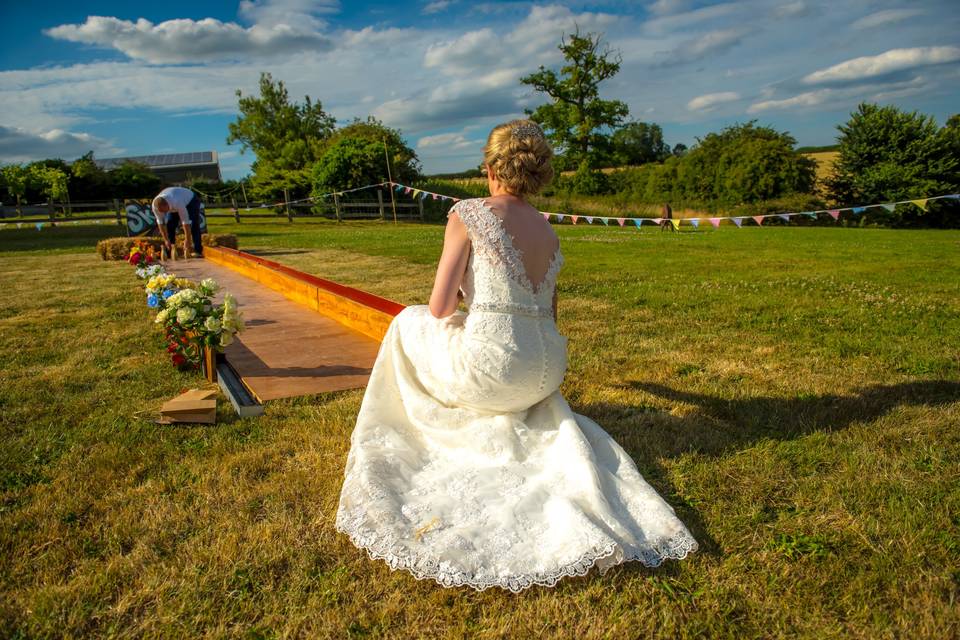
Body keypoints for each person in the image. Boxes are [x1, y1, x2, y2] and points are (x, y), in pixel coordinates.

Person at [335, 119, 697, 592]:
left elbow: (442, 305)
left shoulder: (468, 213)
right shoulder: (548, 232)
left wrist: (474, 305)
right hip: (546, 371)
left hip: (497, 371)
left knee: (408, 320)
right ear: (537, 172)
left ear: (490, 168)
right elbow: (546, 310)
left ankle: (421, 415)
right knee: (472, 331)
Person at [152, 186, 203, 258]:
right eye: (161, 211)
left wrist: (187, 239)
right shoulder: (155, 207)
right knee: (170, 225)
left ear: (167, 205)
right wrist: (166, 240)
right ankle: (170, 250)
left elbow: (185, 222)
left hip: (191, 200)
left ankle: (197, 250)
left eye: (165, 211)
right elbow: (161, 223)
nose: (164, 213)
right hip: (174, 202)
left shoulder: (177, 202)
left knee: (193, 224)